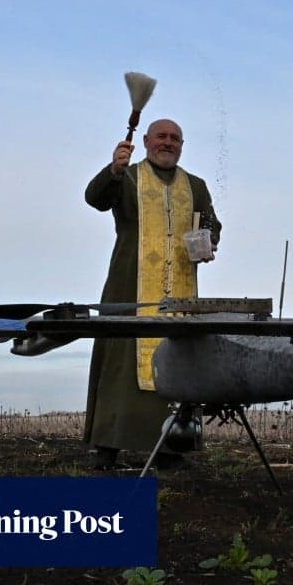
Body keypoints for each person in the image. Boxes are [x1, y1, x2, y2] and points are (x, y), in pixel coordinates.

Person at [83, 118, 221, 469]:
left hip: (180, 294)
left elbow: (210, 225)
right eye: (161, 136)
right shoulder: (128, 176)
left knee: (175, 365)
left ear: (182, 145)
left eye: (176, 138)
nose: (168, 142)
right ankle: (106, 447)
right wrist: (113, 168)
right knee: (120, 363)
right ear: (145, 141)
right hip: (129, 285)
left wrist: (208, 242)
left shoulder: (196, 186)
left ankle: (170, 450)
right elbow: (94, 198)